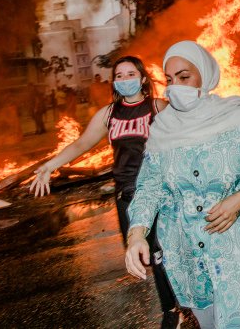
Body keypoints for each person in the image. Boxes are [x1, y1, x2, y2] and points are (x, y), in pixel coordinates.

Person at [124, 41, 240, 329]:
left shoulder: (238, 118)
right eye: (169, 79)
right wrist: (136, 235)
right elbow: (150, 187)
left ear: (204, 74)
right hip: (188, 253)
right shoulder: (161, 129)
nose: (175, 86)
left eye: (184, 76)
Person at [30, 56, 184, 328]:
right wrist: (50, 166)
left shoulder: (158, 108)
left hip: (157, 189)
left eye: (130, 74)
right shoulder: (109, 114)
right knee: (141, 252)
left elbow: (186, 135)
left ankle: (171, 310)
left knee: (159, 251)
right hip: (126, 194)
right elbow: (81, 145)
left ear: (143, 78)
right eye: (120, 75)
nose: (125, 80)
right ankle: (176, 296)